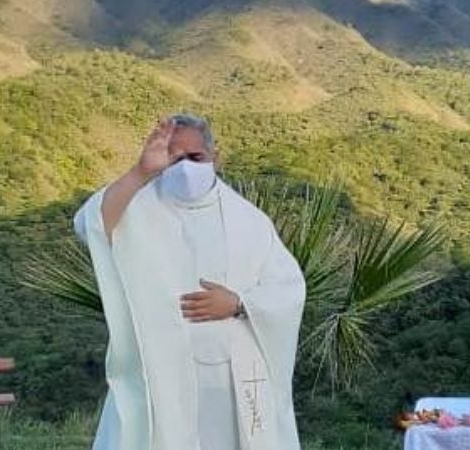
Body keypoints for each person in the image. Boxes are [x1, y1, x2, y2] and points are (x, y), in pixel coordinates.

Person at [73, 113, 306, 450]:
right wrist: (141, 172)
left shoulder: (250, 221)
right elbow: (89, 225)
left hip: (233, 382)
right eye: (175, 158)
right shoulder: (139, 206)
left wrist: (239, 303)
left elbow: (289, 289)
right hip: (162, 375)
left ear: (214, 156)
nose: (185, 167)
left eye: (195, 158)